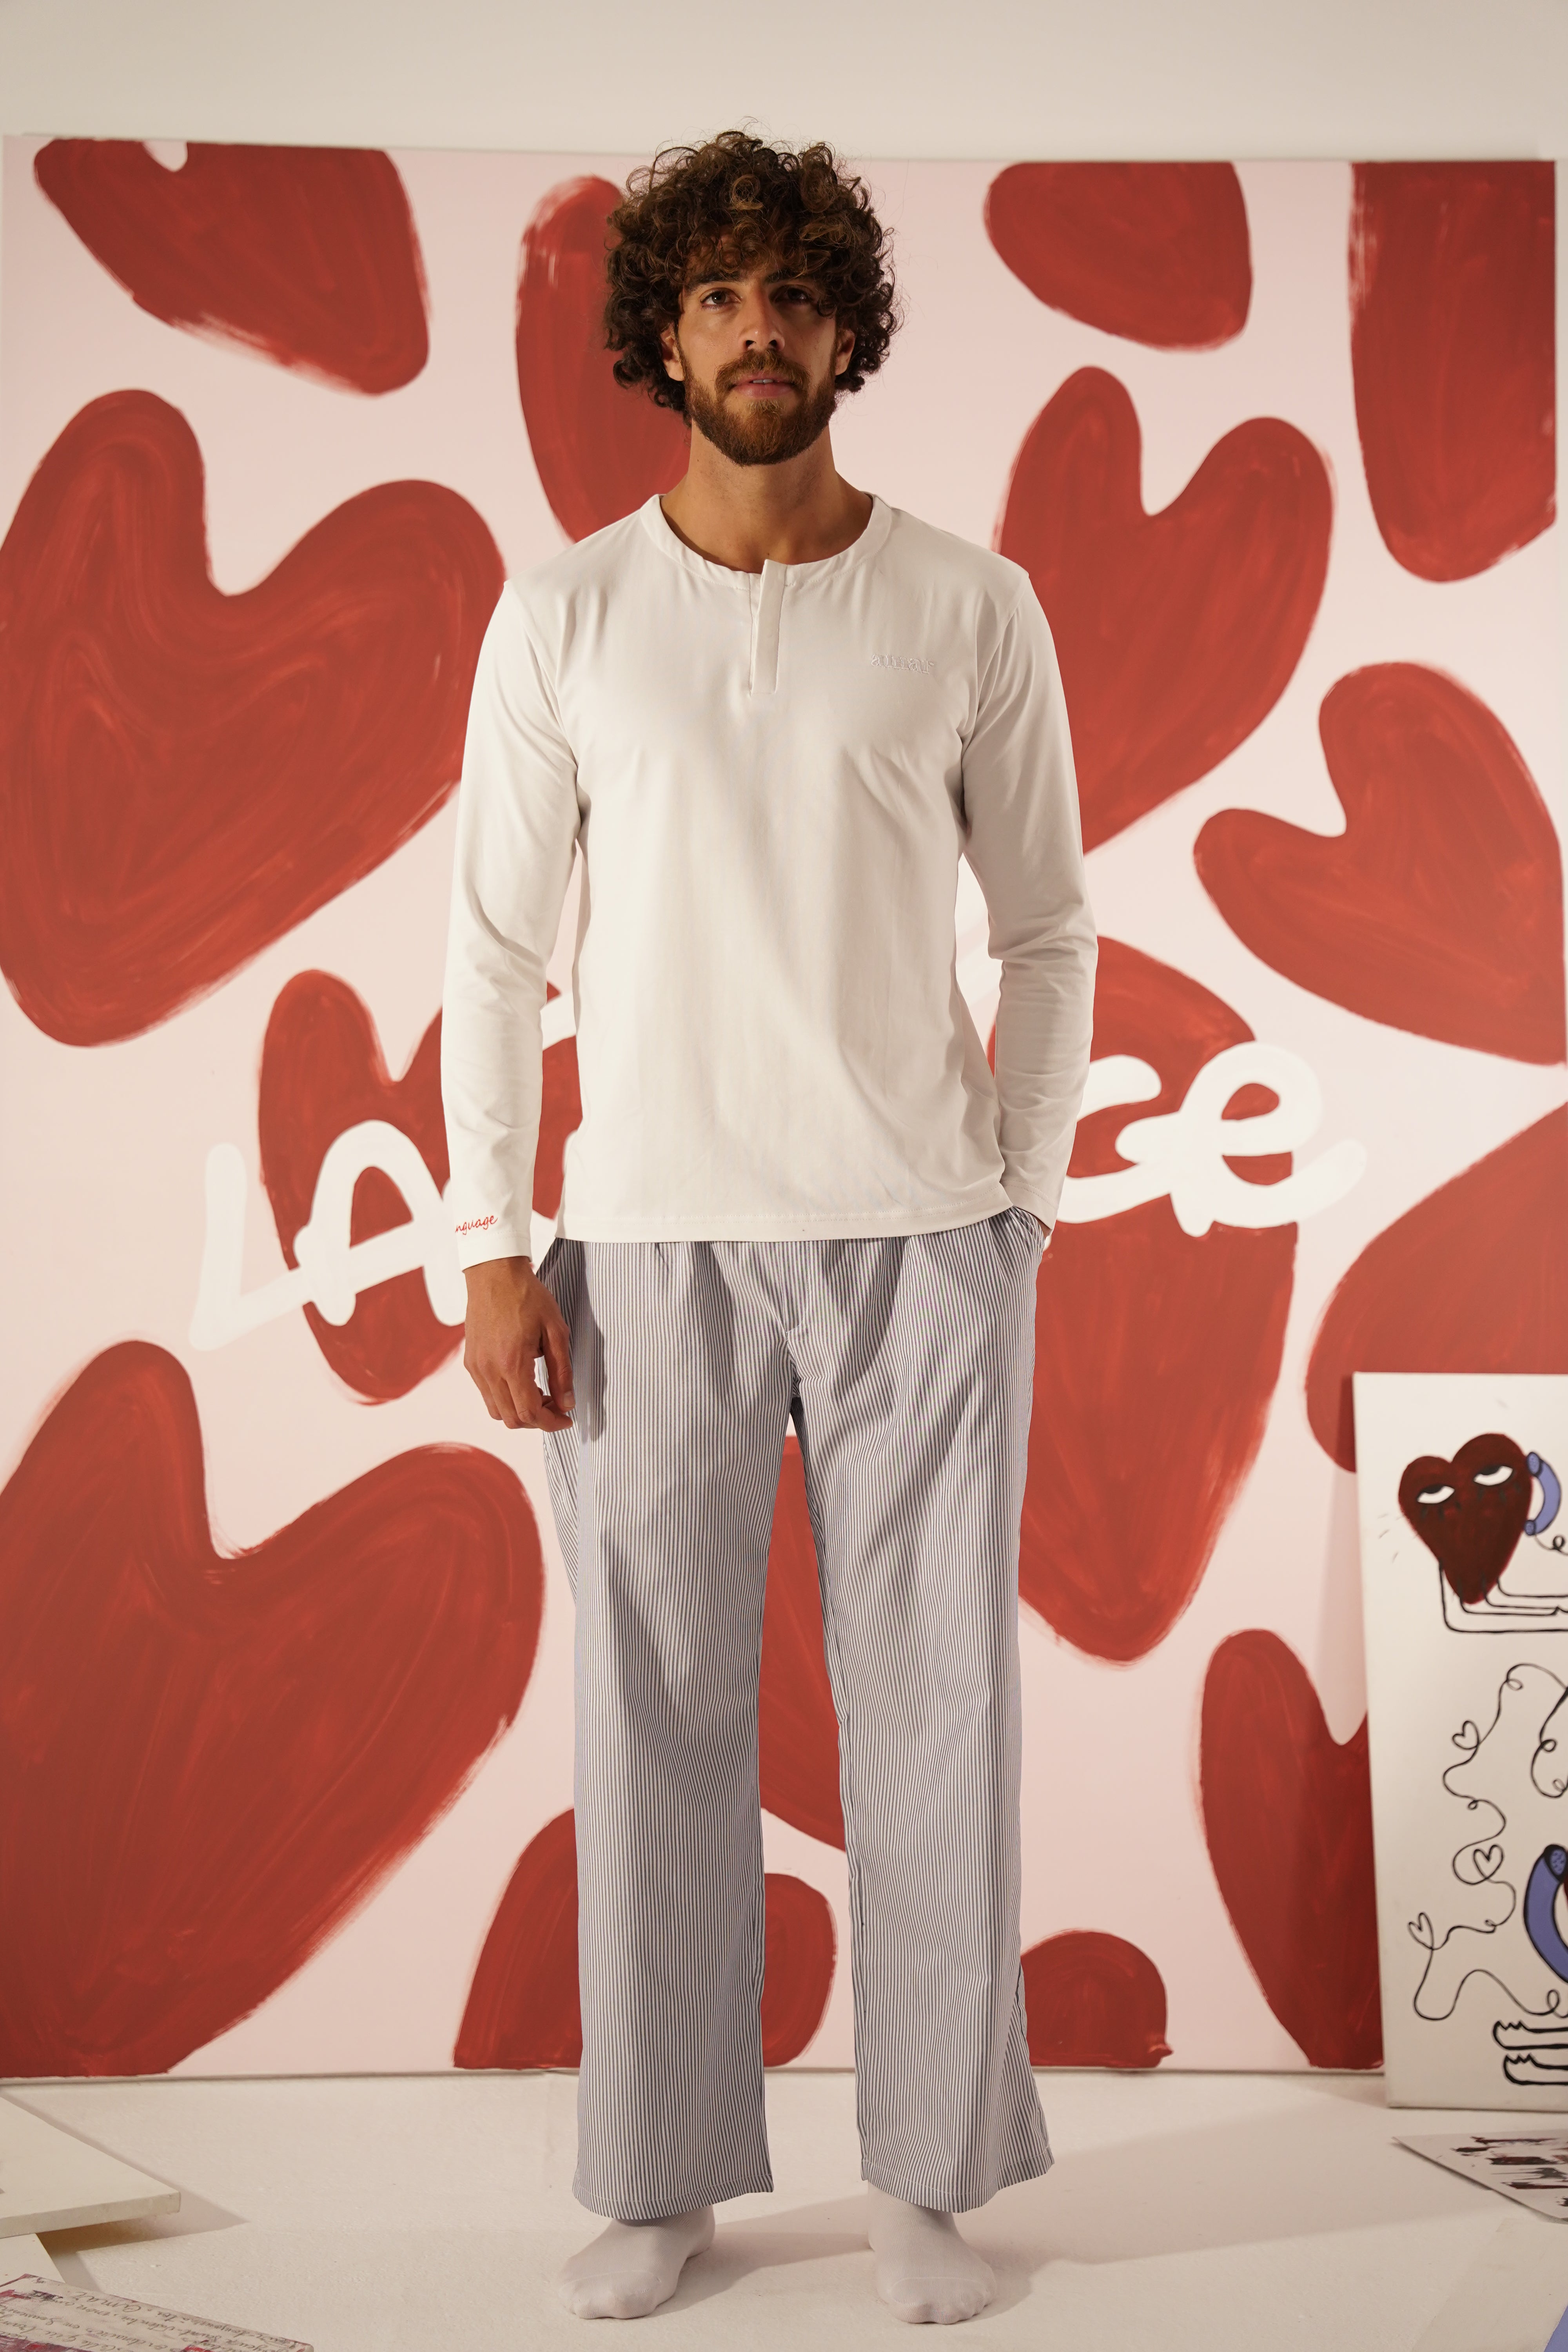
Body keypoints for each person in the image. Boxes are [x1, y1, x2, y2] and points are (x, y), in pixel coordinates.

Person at [441, 131, 1096, 2327]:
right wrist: (489, 1243)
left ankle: (932, 2174)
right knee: (651, 1727)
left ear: (846, 330)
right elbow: (490, 951)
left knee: (938, 1720)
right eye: (718, 295)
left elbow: (1051, 927)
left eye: (794, 293)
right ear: (665, 332)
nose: (758, 330)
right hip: (640, 1247)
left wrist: (1020, 1202)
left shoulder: (970, 605)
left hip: (925, 1241)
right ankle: (659, 2178)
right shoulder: (564, 615)